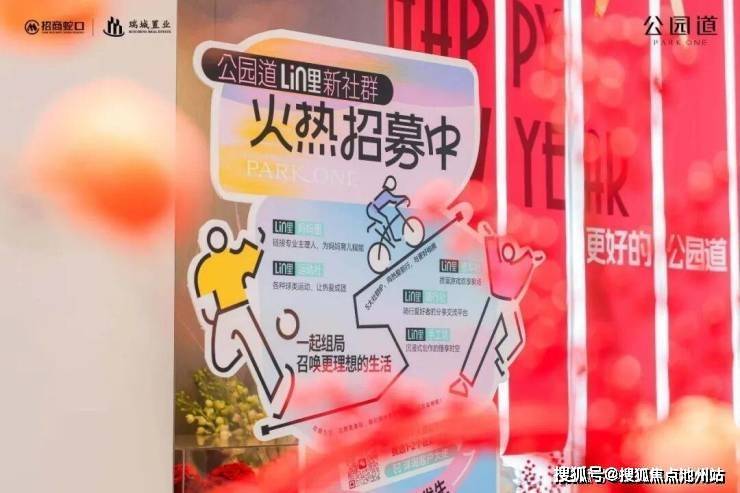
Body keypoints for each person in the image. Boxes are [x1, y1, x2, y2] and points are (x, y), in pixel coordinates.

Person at [192, 221, 292, 419]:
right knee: (221, 362)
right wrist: (209, 319)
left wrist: (260, 238)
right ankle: (244, 349)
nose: (217, 241)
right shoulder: (205, 268)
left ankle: (277, 393)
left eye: (220, 237)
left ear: (225, 238)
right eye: (214, 238)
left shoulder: (234, 257)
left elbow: (254, 254)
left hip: (243, 311)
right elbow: (204, 302)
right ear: (209, 242)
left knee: (258, 352)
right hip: (223, 316)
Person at [449, 235, 544, 399]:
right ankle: (465, 381)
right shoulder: (496, 260)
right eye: (506, 248)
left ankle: (496, 364)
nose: (509, 251)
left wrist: (533, 259)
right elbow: (491, 245)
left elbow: (527, 262)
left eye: (511, 249)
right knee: (481, 342)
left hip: (509, 305)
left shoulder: (518, 263)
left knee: (515, 339)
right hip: (494, 303)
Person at [366, 175, 409, 242]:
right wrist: (404, 198)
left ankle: (372, 228)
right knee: (385, 219)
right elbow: (394, 199)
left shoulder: (386, 193)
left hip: (373, 209)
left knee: (383, 219)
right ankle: (392, 238)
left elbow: (394, 199)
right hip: (372, 209)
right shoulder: (386, 194)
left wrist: (403, 199)